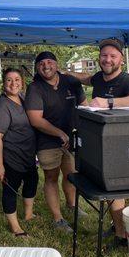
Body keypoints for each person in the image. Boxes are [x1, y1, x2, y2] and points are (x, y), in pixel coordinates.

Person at [65, 38, 129, 247]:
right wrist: (66, 74)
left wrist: (109, 102)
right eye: (104, 55)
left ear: (121, 59)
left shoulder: (126, 80)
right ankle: (117, 225)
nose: (108, 60)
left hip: (122, 145)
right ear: (99, 58)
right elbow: (87, 78)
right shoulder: (100, 79)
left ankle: (122, 236)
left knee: (114, 189)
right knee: (105, 185)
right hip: (102, 142)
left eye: (113, 56)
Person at [25, 51, 88, 233]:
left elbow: (84, 106)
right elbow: (35, 119)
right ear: (37, 67)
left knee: (71, 175)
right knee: (51, 178)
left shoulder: (71, 82)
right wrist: (59, 133)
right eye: (41, 63)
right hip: (47, 141)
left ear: (56, 64)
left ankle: (72, 205)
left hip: (71, 138)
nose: (46, 66)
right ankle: (58, 218)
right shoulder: (35, 88)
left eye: (49, 62)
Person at [0, 68, 38, 237]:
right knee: (10, 189)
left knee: (32, 182)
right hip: (11, 156)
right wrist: (0, 166)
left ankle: (29, 214)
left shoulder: (23, 99)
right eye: (9, 80)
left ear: (22, 83)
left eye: (17, 79)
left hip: (28, 155)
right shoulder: (1, 106)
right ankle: (15, 227)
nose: (13, 83)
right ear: (4, 83)